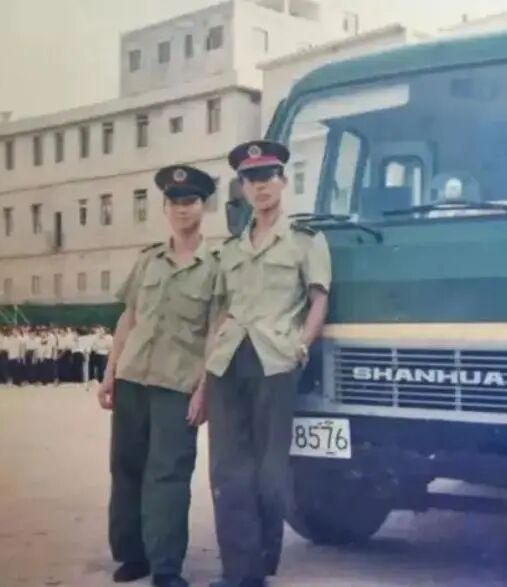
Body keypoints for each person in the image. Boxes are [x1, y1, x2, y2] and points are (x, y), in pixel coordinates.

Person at [205, 141, 332, 587]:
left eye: (267, 178)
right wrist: (207, 364)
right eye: (251, 180)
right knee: (227, 470)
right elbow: (220, 309)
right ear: (242, 188)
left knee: (269, 471)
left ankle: (259, 564)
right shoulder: (231, 249)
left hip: (275, 360)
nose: (260, 187)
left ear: (282, 181)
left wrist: (300, 346)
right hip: (227, 361)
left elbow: (319, 299)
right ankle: (237, 571)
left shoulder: (305, 241)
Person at [97, 164, 218, 587]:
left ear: (204, 206)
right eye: (174, 202)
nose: (182, 209)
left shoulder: (216, 265)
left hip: (176, 385)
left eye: (191, 201)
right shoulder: (148, 260)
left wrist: (204, 389)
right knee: (126, 468)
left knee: (168, 475)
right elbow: (128, 317)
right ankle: (133, 555)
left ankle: (166, 567)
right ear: (165, 207)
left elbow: (216, 332)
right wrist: (110, 372)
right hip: (133, 378)